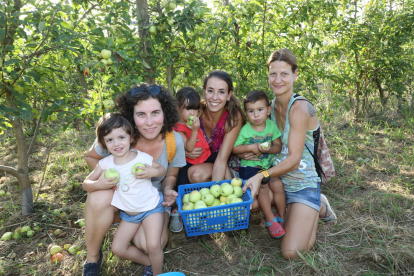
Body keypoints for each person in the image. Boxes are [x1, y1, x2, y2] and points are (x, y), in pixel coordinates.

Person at [242, 49, 337, 260]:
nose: (278, 80)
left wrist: (261, 175)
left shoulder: (300, 108)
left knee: (290, 253)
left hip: (303, 184)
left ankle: (319, 206)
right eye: (273, 74)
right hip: (279, 184)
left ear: (295, 75)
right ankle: (294, 210)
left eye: (284, 74)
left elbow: (294, 160)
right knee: (250, 204)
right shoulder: (269, 107)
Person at [83, 84, 186, 276]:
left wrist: (167, 189)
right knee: (98, 198)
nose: (149, 122)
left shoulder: (174, 141)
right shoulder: (119, 136)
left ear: (165, 113)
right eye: (141, 115)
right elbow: (91, 157)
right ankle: (93, 257)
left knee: (148, 244)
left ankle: (130, 229)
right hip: (122, 194)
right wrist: (110, 180)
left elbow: (170, 174)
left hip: (151, 201)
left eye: (155, 112)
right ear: (131, 116)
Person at [83, 113, 166, 275]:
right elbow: (86, 184)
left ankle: (158, 273)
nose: (117, 144)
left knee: (153, 245)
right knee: (118, 249)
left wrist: (150, 172)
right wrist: (99, 184)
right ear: (104, 144)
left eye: (121, 137)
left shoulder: (140, 158)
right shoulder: (105, 164)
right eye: (110, 140)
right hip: (129, 215)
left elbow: (161, 170)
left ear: (130, 137)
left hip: (151, 208)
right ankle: (148, 263)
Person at [232, 89, 286, 238]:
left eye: (260, 110)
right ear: (246, 112)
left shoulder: (271, 126)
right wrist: (251, 147)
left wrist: (268, 149)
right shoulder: (245, 130)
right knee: (263, 186)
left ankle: (282, 217)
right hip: (250, 167)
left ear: (268, 110)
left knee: (278, 185)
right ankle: (270, 220)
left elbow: (278, 146)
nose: (256, 115)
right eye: (251, 111)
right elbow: (235, 148)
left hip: (267, 168)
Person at [182, 70, 246, 184]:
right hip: (198, 162)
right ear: (204, 92)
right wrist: (184, 151)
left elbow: (221, 160)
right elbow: (176, 133)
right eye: (210, 91)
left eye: (221, 92)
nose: (215, 97)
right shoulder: (196, 111)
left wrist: (215, 194)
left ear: (228, 95)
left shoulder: (233, 117)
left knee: (197, 174)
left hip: (226, 165)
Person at [174, 87, 212, 189]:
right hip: (189, 162)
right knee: (181, 184)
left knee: (219, 161)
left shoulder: (193, 122)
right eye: (188, 109)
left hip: (205, 156)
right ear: (178, 108)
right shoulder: (179, 130)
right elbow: (189, 148)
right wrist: (195, 130)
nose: (192, 113)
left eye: (195, 109)